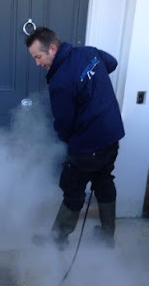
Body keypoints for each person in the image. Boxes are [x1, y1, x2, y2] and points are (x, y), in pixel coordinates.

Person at [25, 27, 125, 249]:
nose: (37, 64)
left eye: (38, 57)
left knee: (73, 188)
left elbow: (64, 124)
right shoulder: (89, 52)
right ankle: (108, 237)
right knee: (104, 180)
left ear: (52, 49)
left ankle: (57, 240)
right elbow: (112, 63)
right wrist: (90, 80)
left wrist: (70, 143)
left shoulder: (60, 81)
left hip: (88, 145)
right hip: (113, 134)